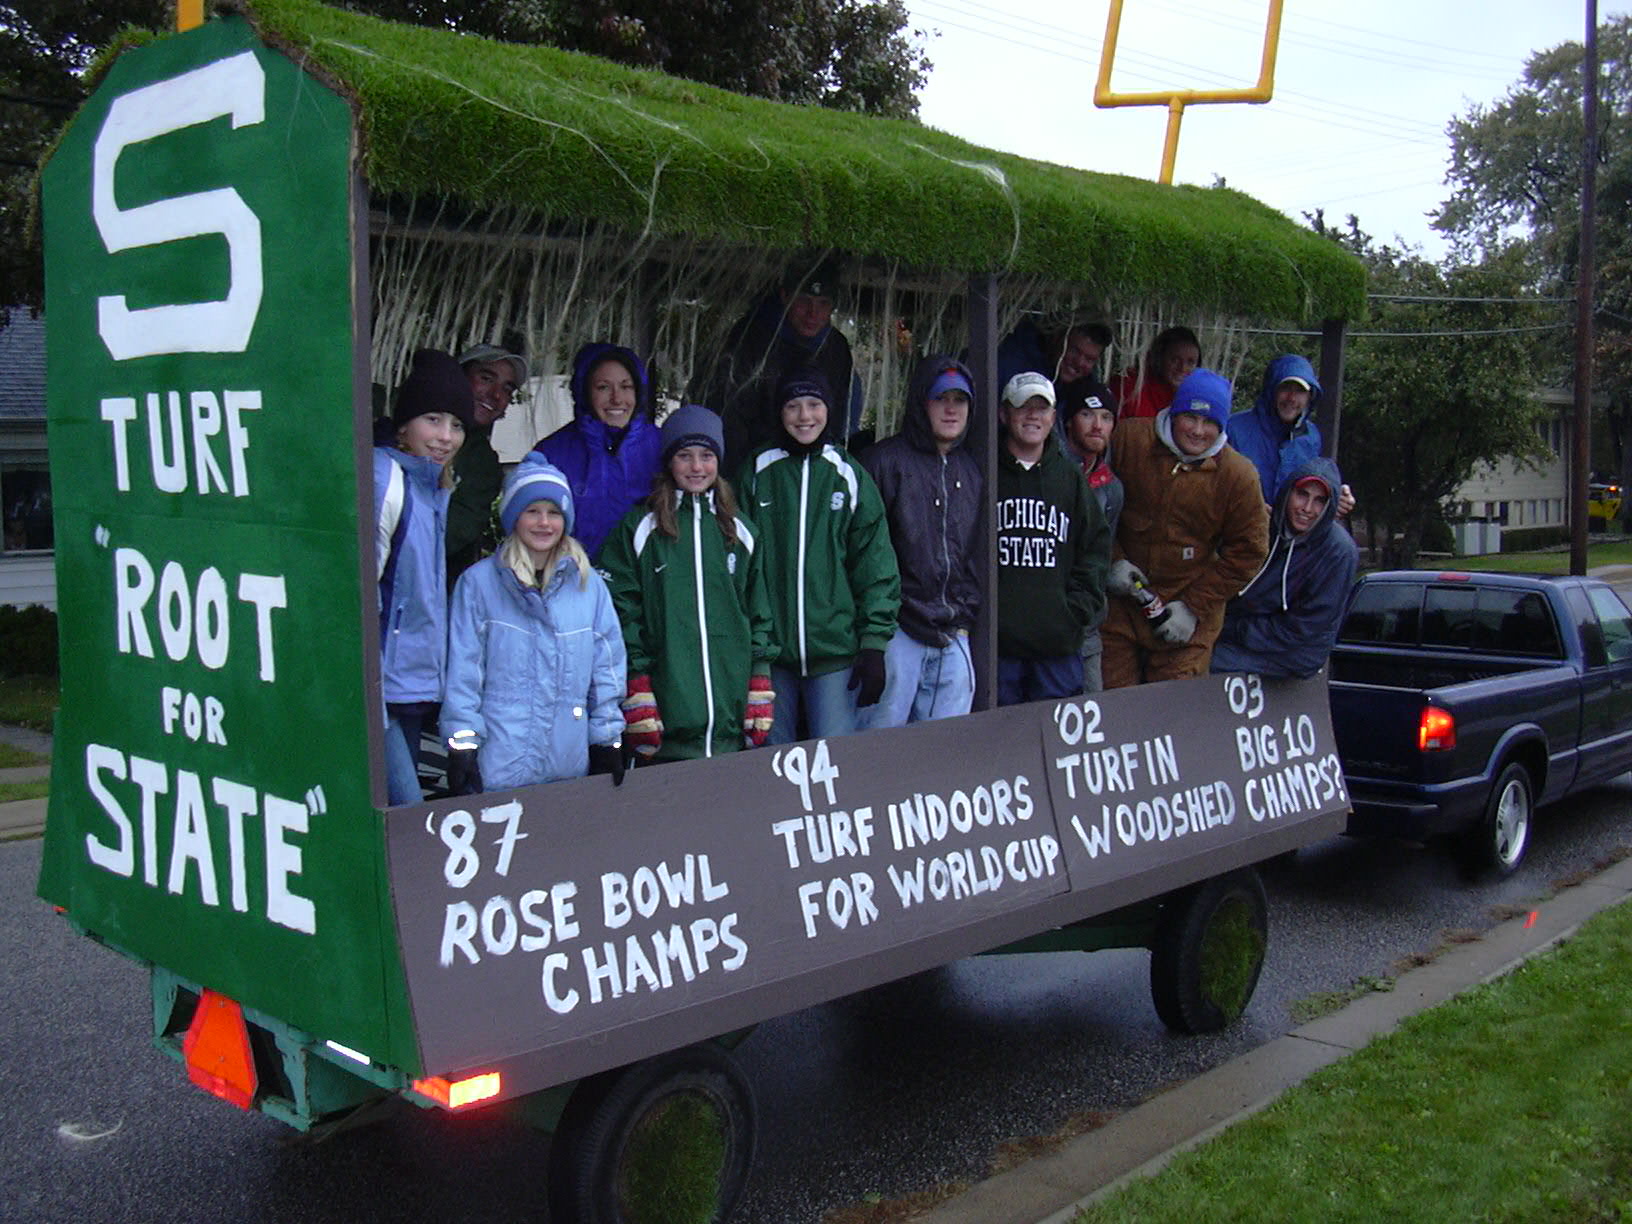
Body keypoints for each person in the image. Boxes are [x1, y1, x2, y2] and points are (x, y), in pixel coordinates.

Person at [599, 405, 778, 762]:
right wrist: (637, 685)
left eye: (706, 456)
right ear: (669, 461)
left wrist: (759, 681)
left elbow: (759, 613)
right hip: (665, 723)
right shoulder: (640, 530)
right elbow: (619, 614)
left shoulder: (741, 532)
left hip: (730, 725)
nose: (697, 467)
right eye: (685, 456)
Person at [441, 457, 629, 793]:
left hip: (567, 767)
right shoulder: (479, 584)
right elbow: (463, 671)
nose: (544, 523)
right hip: (500, 765)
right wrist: (463, 742)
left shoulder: (588, 588)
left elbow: (607, 668)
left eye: (554, 512)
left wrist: (606, 739)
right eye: (532, 511)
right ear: (514, 517)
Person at [738, 369, 901, 742]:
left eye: (814, 405)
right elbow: (740, 564)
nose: (804, 416)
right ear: (779, 412)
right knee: (772, 762)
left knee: (836, 762)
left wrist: (874, 643)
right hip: (772, 655)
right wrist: (753, 645)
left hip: (834, 654)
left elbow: (874, 564)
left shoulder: (848, 475)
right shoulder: (757, 472)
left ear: (830, 409)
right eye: (793, 406)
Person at [1102, 368, 1268, 687]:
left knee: (1171, 716)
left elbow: (1250, 552)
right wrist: (1112, 560)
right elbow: (1094, 504)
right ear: (1174, 412)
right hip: (1122, 606)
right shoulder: (1129, 439)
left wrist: (1194, 606)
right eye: (1190, 417)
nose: (1197, 430)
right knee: (1115, 710)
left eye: (1209, 423)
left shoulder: (1238, 475)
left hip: (1187, 617)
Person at [859, 356, 983, 726]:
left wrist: (964, 615)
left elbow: (974, 554)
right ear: (920, 403)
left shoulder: (971, 470)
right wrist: (872, 634)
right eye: (940, 399)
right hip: (896, 629)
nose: (950, 409)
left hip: (952, 628)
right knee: (881, 743)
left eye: (960, 400)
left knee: (945, 752)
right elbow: (862, 556)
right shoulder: (882, 462)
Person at [373, 349, 471, 804]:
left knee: (398, 817)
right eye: (433, 419)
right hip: (380, 687)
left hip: (413, 686)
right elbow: (361, 589)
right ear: (405, 424)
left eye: (456, 425)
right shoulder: (384, 479)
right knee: (406, 811)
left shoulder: (436, 489)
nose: (445, 437)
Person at [995, 372, 1110, 705]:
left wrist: (1075, 611)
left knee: (1055, 746)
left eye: (1041, 408)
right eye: (1023, 407)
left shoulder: (1070, 478)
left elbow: (1096, 549)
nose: (1033, 416)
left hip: (1057, 647)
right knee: (1002, 744)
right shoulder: (986, 472)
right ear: (1005, 414)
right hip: (1000, 649)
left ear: (1054, 417)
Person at [1211, 458, 1358, 679]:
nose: (1307, 509)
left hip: (1296, 651)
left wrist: (1230, 629)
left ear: (1330, 507)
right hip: (1248, 629)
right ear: (1288, 492)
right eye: (1302, 495)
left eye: (1319, 501)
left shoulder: (1340, 553)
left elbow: (1302, 629)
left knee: (1206, 661)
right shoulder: (1267, 525)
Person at [708, 255, 855, 464]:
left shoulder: (836, 348)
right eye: (804, 301)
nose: (813, 313)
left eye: (823, 304)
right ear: (785, 296)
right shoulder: (750, 337)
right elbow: (731, 416)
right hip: (754, 461)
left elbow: (838, 418)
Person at [532, 342, 664, 561]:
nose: (617, 398)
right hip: (574, 583)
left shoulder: (664, 448)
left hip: (647, 585)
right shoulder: (551, 454)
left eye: (626, 386)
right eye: (603, 387)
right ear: (584, 392)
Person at [1059, 376, 1123, 692]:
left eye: (1106, 417)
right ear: (1069, 420)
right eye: (1087, 414)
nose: (1097, 425)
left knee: (1090, 721)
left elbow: (1101, 558)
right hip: (1045, 618)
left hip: (1088, 628)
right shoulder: (1050, 468)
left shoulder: (1112, 489)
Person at [447, 342, 529, 584]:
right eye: (486, 378)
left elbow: (454, 534)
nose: (495, 395)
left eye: (506, 389)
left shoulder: (483, 464)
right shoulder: (402, 429)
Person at [1109, 325, 1201, 420]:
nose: (1183, 368)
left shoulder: (1197, 397)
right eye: (1175, 360)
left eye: (1190, 362)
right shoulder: (1128, 387)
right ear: (1159, 359)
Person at [997, 319, 1114, 388]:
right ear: (1057, 338)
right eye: (1074, 350)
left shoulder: (1085, 387)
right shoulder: (1013, 364)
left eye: (1089, 359)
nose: (1079, 362)